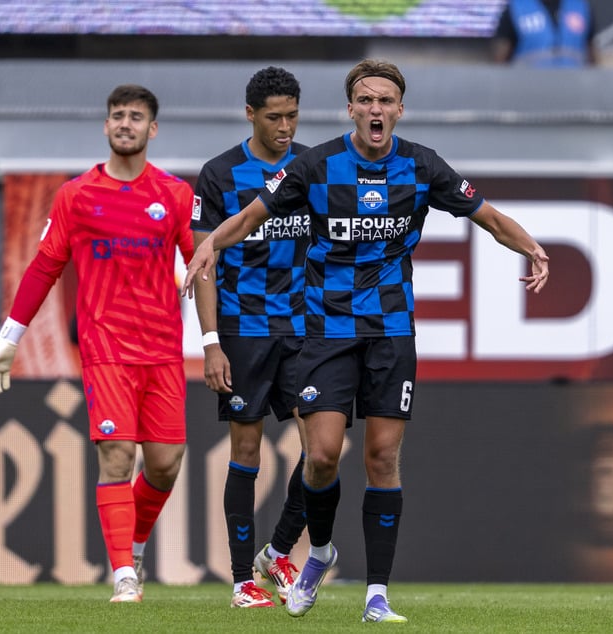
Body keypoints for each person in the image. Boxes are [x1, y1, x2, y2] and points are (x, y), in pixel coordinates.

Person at [182, 59, 550, 624]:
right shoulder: (317, 164)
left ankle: (377, 595)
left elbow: (487, 216)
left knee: (382, 458)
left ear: (399, 109)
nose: (376, 109)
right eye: (365, 99)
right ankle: (319, 553)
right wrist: (210, 246)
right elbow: (252, 215)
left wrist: (531, 246)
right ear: (351, 108)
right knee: (323, 455)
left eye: (386, 100)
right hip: (324, 333)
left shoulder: (422, 166)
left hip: (391, 334)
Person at [0, 84, 195, 604]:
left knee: (165, 464)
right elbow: (43, 268)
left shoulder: (175, 195)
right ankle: (123, 576)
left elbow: (203, 265)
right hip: (106, 348)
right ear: (106, 126)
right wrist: (11, 337)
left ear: (152, 129)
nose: (125, 123)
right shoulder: (76, 196)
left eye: (136, 117)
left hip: (162, 349)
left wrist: (214, 338)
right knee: (117, 455)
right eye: (117, 115)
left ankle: (134, 546)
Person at [191, 66, 310, 609]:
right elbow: (205, 262)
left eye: (292, 115)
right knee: (247, 450)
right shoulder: (219, 174)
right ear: (250, 115)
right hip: (242, 330)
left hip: (306, 331)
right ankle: (243, 582)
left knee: (323, 452)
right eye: (274, 117)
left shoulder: (314, 166)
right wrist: (211, 341)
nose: (285, 127)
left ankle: (278, 550)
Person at [492, 0, 597, 67]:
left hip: (575, 91)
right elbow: (500, 61)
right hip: (526, 91)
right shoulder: (516, 8)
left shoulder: (580, 7)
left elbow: (592, 58)